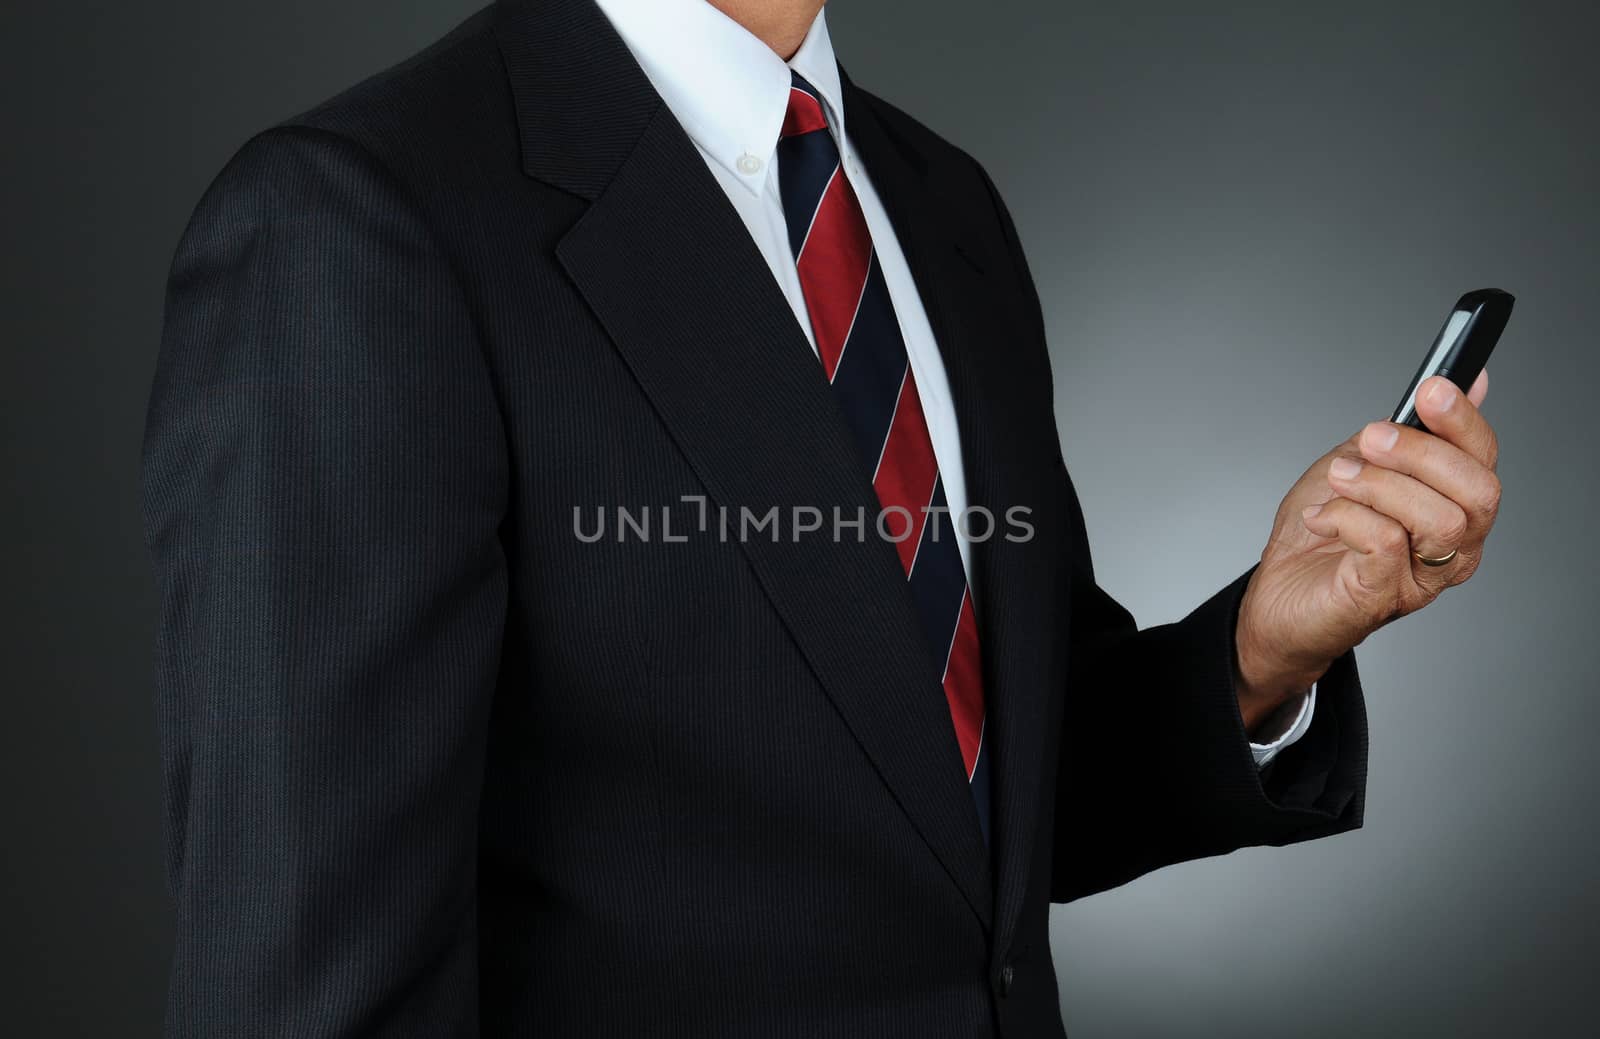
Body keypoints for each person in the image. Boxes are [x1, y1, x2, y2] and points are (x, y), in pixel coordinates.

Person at [139, 0, 1503, 1035]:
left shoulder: (937, 201)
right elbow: (312, 983)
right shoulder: (359, 219)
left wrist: (1267, 644)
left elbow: (981, 812)